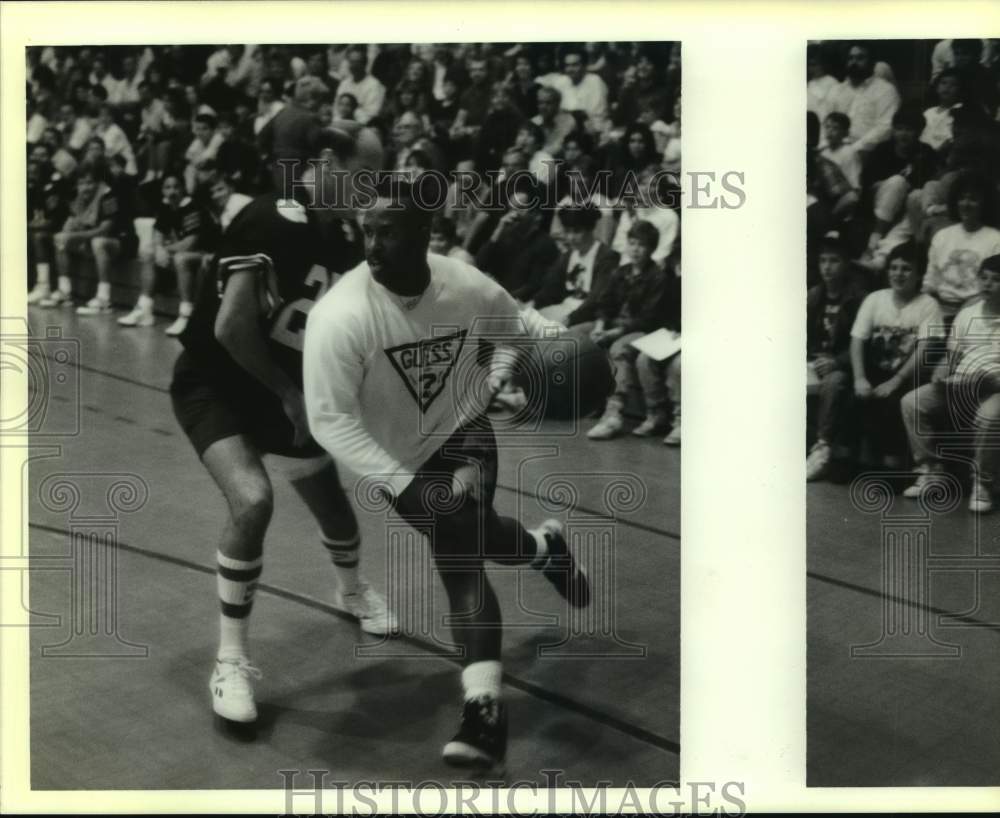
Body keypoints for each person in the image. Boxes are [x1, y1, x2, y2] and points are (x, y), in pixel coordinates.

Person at [302, 176, 591, 770]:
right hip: (398, 458)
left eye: (388, 232)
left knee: (457, 547)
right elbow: (328, 421)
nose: (372, 245)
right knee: (471, 534)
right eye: (366, 232)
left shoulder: (463, 282)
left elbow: (513, 328)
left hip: (461, 430)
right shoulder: (340, 316)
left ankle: (484, 708)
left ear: (425, 234)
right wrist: (403, 481)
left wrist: (494, 381)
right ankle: (544, 548)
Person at [169, 125, 398, 725]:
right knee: (252, 501)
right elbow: (230, 326)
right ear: (328, 161)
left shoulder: (346, 238)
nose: (371, 189)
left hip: (286, 394)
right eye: (366, 176)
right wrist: (289, 394)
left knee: (336, 511)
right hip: (218, 385)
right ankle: (231, 662)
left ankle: (349, 590)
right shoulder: (272, 217)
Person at [901, 254, 1000, 513]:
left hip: (995, 388)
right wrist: (942, 370)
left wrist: (992, 379)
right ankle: (931, 470)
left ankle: (983, 482)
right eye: (985, 278)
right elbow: (951, 356)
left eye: (996, 280)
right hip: (961, 383)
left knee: (990, 416)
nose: (988, 284)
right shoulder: (967, 315)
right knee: (913, 401)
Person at [850, 242, 944, 469]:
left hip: (908, 375)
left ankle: (893, 464)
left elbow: (925, 348)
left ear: (919, 273)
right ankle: (848, 458)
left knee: (892, 402)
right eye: (894, 267)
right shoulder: (875, 299)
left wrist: (897, 380)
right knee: (854, 395)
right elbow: (857, 340)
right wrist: (859, 378)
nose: (898, 274)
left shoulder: (928, 305)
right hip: (874, 369)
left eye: (906, 268)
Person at [584, 220, 672, 440]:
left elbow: (647, 319)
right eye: (632, 243)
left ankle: (613, 413)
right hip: (614, 325)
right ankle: (589, 399)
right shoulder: (621, 272)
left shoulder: (658, 277)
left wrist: (614, 332)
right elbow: (606, 302)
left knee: (619, 348)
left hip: (643, 330)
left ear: (651, 248)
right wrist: (601, 325)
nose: (635, 249)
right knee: (581, 338)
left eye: (641, 245)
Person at [806, 233, 868, 480]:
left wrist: (836, 361)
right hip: (814, 360)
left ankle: (822, 447)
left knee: (833, 382)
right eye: (823, 261)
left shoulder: (858, 298)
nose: (827, 267)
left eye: (834, 261)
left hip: (844, 365)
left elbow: (862, 342)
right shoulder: (814, 295)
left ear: (845, 264)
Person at [118, 173, 211, 333]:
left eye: (176, 187)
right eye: (167, 187)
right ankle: (145, 309)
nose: (172, 191)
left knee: (180, 258)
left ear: (183, 189)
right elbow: (157, 236)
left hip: (206, 253)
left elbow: (190, 243)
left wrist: (164, 250)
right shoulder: (166, 207)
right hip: (183, 254)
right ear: (162, 190)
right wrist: (159, 249)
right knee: (148, 253)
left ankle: (186, 314)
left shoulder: (192, 207)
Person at [38, 165, 137, 314]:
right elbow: (70, 225)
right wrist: (64, 236)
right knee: (60, 240)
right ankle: (65, 291)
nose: (86, 187)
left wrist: (73, 236)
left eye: (90, 183)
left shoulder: (108, 196)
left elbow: (105, 230)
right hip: (94, 242)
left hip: (122, 240)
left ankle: (104, 299)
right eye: (82, 183)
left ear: (98, 183)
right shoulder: (79, 198)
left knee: (98, 243)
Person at [922, 172, 1000, 319]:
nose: (966, 204)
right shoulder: (942, 236)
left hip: (976, 312)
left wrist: (967, 311)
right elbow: (930, 281)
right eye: (962, 198)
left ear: (985, 204)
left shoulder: (996, 239)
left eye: (973, 199)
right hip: (939, 310)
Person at [531, 202, 620, 326]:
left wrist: (569, 319)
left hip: (588, 317)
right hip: (565, 309)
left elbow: (596, 299)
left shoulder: (607, 256)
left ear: (590, 229)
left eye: (577, 231)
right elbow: (550, 287)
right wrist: (533, 304)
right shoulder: (569, 255)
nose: (571, 237)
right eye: (567, 232)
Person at [828, 42, 901, 154]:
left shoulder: (886, 90)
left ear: (872, 62)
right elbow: (825, 121)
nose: (854, 62)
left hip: (869, 153)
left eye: (860, 58)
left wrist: (853, 149)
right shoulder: (836, 90)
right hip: (835, 151)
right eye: (850, 58)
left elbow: (885, 127)